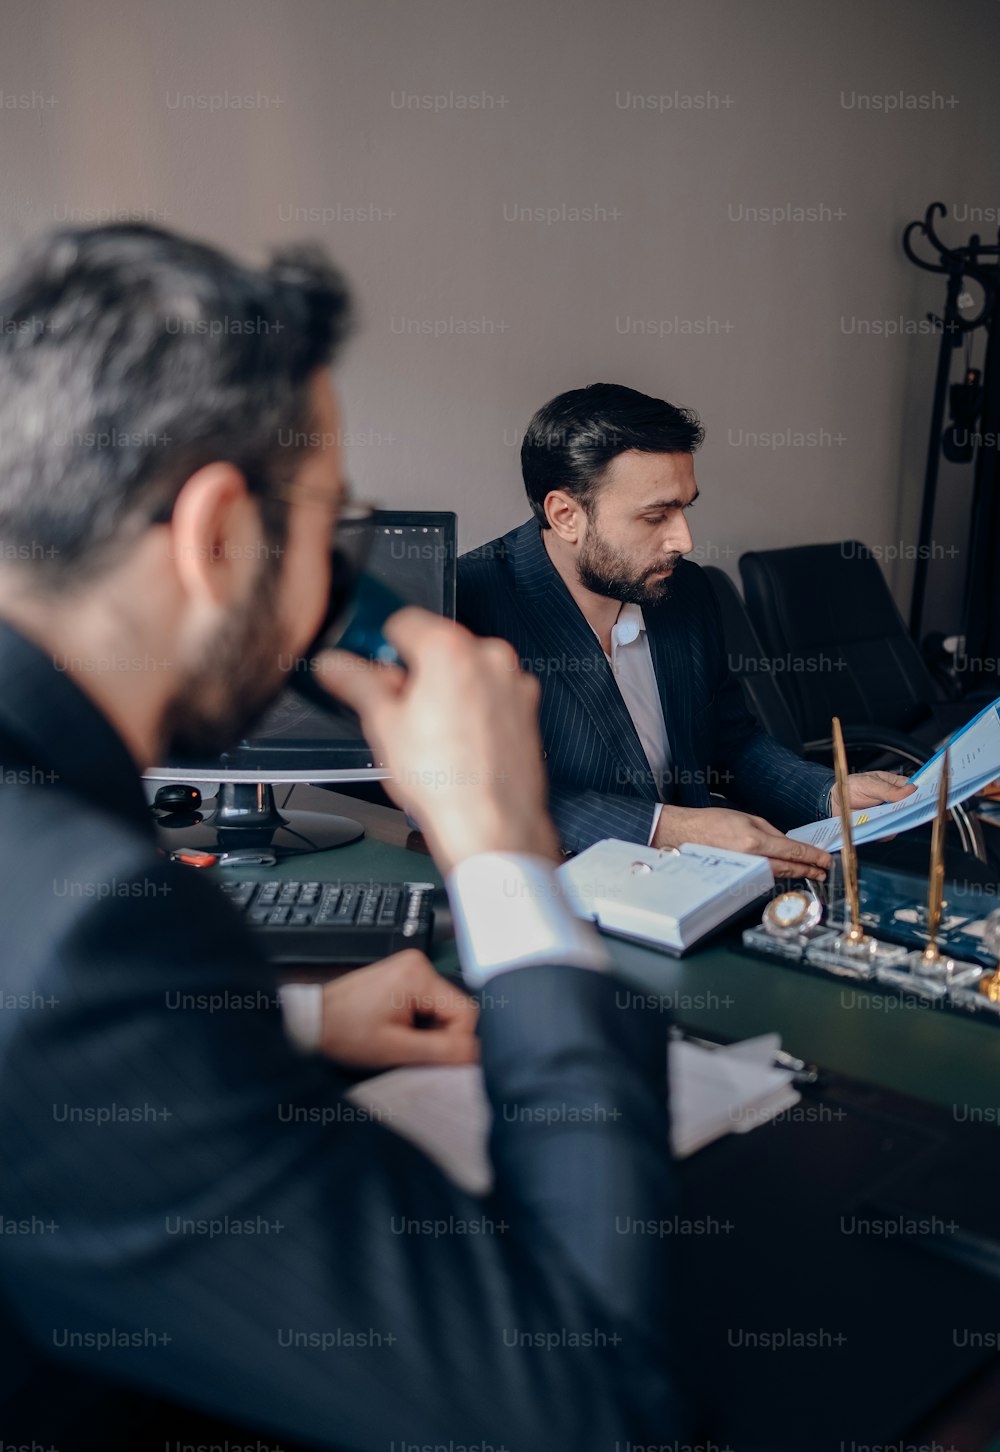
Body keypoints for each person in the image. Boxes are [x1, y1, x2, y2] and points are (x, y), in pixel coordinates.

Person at [0, 227, 682, 1451]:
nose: (341, 579)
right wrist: (500, 847)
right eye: (330, 526)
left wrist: (289, 1024)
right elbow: (584, 1413)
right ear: (218, 537)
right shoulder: (84, 928)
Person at [457, 382, 914, 871]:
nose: (684, 540)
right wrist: (668, 828)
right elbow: (469, 789)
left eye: (684, 508)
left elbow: (729, 740)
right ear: (566, 515)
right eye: (655, 516)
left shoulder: (685, 590)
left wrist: (828, 792)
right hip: (551, 887)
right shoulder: (468, 603)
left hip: (692, 885)